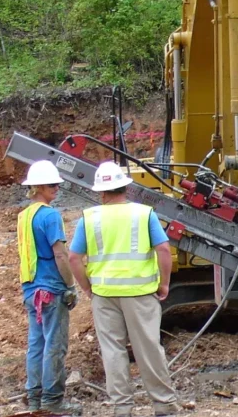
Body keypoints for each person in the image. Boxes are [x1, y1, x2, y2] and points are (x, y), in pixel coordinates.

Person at [67, 161, 179, 417]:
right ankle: (163, 404)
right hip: (140, 293)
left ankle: (122, 407)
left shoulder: (90, 217)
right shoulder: (144, 214)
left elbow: (74, 258)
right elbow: (163, 249)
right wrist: (164, 283)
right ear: (125, 188)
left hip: (105, 295)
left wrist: (88, 288)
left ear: (102, 192)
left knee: (113, 351)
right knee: (149, 348)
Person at [17, 160, 79, 413]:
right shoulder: (50, 215)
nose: (57, 188)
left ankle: (35, 399)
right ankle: (52, 402)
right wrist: (70, 285)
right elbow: (60, 254)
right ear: (39, 187)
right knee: (54, 344)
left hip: (31, 290)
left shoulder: (24, 216)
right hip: (51, 290)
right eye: (52, 184)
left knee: (36, 344)